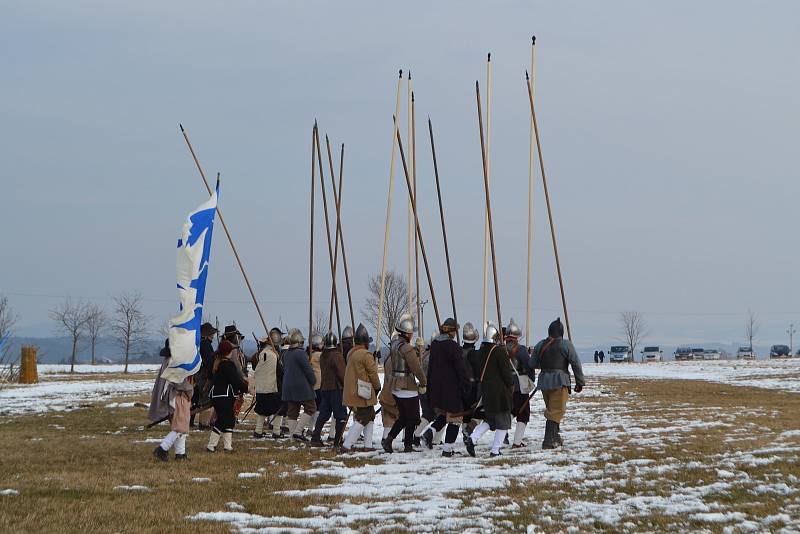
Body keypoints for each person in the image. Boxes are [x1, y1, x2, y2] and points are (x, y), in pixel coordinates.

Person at [529, 318, 586, 449]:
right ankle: (549, 440)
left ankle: (555, 437)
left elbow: (532, 364)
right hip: (559, 381)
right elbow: (575, 363)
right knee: (555, 411)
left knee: (553, 411)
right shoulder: (565, 344)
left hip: (544, 382)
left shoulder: (540, 345)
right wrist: (580, 382)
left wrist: (545, 365)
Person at [465, 322, 513, 457]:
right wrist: (510, 386)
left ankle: (473, 438)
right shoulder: (499, 351)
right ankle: (495, 450)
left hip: (486, 390)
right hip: (499, 392)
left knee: (490, 420)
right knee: (503, 422)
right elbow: (506, 373)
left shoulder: (480, 351)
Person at [382, 313, 427, 454]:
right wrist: (424, 382)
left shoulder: (395, 345)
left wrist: (417, 351)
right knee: (412, 418)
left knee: (404, 417)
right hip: (407, 386)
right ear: (407, 334)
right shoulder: (407, 348)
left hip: (395, 386)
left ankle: (389, 440)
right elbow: (416, 368)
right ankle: (407, 445)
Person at [426, 318, 469, 457]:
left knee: (445, 414)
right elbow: (460, 368)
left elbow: (430, 367)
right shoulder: (452, 346)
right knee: (455, 417)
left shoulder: (435, 345)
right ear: (451, 331)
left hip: (437, 387)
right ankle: (447, 450)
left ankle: (431, 431)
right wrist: (465, 384)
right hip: (451, 387)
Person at [149, 339, 194, 461]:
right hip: (177, 396)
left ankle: (180, 454)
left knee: (181, 426)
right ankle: (162, 449)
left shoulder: (168, 361)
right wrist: (190, 389)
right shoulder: (173, 363)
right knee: (180, 427)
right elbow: (179, 383)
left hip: (176, 396)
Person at [342, 324, 381, 451]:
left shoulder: (351, 353)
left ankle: (368, 445)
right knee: (363, 417)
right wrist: (377, 386)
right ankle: (347, 445)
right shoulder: (365, 355)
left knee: (370, 416)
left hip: (353, 390)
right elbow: (372, 373)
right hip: (361, 392)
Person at [207, 339, 249, 452]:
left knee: (228, 419)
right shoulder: (228, 365)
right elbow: (235, 380)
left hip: (216, 395)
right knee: (224, 420)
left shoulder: (217, 363)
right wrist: (245, 388)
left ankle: (227, 446)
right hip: (223, 395)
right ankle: (211, 446)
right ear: (229, 352)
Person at [310, 332, 348, 447]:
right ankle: (337, 441)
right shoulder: (336, 355)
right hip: (336, 389)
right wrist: (345, 384)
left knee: (324, 414)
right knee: (341, 415)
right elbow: (342, 373)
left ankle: (315, 437)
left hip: (325, 388)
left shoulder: (323, 355)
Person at [281, 328, 317, 441]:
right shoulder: (300, 353)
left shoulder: (285, 354)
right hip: (300, 386)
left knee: (292, 411)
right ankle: (297, 432)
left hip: (288, 386)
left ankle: (293, 437)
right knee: (311, 407)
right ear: (300, 342)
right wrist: (313, 381)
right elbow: (308, 370)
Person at [505, 318, 535, 449]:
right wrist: (531, 379)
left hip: (505, 385)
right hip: (519, 386)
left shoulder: (501, 349)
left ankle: (502, 436)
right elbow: (529, 367)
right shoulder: (521, 350)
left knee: (510, 412)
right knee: (523, 414)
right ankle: (517, 442)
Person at [251, 334, 283, 439]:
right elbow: (280, 372)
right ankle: (277, 432)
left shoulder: (261, 354)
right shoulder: (273, 355)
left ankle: (258, 431)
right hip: (272, 387)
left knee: (262, 411)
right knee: (279, 410)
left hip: (261, 387)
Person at [460, 322, 483, 438]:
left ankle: (466, 434)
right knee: (472, 411)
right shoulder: (473, 354)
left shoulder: (459, 351)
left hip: (462, 385)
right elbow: (478, 371)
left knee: (466, 413)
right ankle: (467, 433)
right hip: (472, 386)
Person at [194, 322, 217, 429]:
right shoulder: (205, 345)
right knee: (206, 399)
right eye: (211, 333)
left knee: (203, 398)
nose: (213, 335)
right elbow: (209, 363)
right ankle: (203, 424)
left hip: (200, 374)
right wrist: (211, 376)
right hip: (203, 375)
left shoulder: (201, 343)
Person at [378, 333, 400, 443]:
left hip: (387, 392)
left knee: (388, 419)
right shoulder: (397, 359)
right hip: (396, 393)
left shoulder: (389, 358)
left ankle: (385, 438)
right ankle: (407, 440)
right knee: (406, 416)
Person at [308, 334, 324, 436]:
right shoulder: (319, 355)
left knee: (314, 409)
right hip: (319, 384)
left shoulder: (310, 354)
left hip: (312, 384)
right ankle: (314, 429)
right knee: (318, 409)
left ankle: (310, 428)